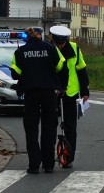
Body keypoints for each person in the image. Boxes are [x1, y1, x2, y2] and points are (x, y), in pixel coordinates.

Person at [10, 27, 67, 174]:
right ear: (40, 36)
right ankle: (48, 164)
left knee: (31, 129)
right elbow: (62, 67)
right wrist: (62, 86)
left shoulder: (21, 51)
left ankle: (34, 164)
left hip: (31, 94)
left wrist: (28, 73)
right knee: (49, 128)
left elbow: (15, 74)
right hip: (49, 94)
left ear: (28, 37)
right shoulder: (51, 49)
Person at [49, 26, 90, 169]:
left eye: (62, 43)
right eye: (58, 43)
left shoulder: (75, 49)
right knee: (51, 125)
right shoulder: (49, 49)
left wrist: (85, 91)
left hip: (71, 93)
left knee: (71, 127)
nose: (60, 46)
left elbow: (81, 70)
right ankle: (48, 157)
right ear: (53, 40)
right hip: (52, 93)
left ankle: (68, 157)